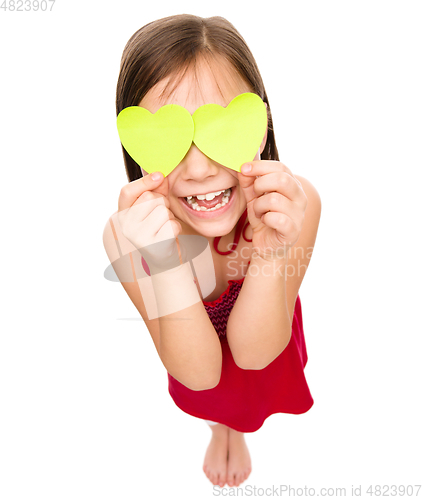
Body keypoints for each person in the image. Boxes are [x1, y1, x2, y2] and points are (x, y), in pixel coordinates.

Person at [103, 14, 322, 489]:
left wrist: (270, 250)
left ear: (259, 126)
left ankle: (237, 431)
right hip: (191, 357)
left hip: (267, 345)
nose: (200, 168)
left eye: (217, 130)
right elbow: (200, 374)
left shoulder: (294, 204)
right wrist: (163, 262)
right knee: (215, 405)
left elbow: (254, 353)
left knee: (249, 405)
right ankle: (219, 429)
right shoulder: (128, 235)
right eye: (173, 138)